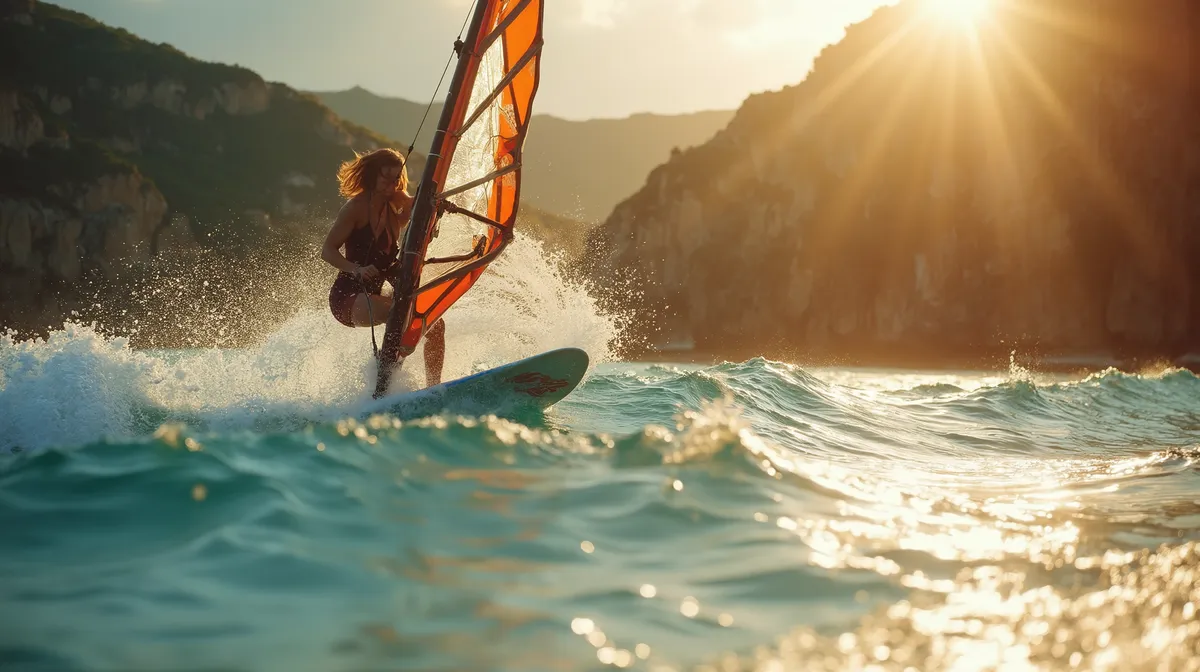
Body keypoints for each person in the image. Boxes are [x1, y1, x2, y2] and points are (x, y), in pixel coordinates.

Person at [321, 148, 445, 387]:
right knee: (397, 315)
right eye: (386, 178)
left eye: (396, 178)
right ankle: (384, 383)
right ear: (371, 176)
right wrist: (355, 268)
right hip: (348, 298)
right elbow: (327, 250)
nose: (392, 184)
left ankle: (434, 388)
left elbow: (421, 204)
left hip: (377, 293)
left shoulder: (396, 201)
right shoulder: (355, 208)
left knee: (434, 323)